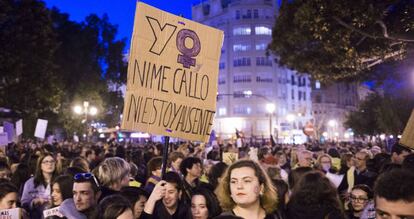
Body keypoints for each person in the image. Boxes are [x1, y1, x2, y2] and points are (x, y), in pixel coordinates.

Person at [21, 153, 58, 219]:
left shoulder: (60, 181)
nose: (49, 164)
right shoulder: (30, 183)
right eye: (46, 162)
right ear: (40, 165)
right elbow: (24, 203)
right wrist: (34, 202)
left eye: (52, 161)